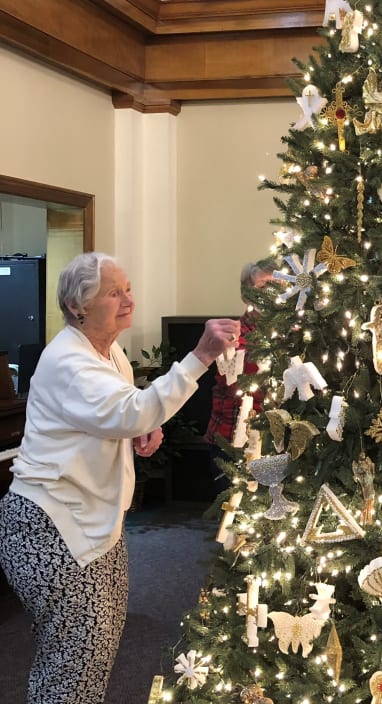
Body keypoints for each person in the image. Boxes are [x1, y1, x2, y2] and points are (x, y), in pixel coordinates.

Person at [0, 251, 240, 704]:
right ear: (78, 306)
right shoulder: (68, 361)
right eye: (114, 292)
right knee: (73, 659)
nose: (129, 299)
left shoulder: (109, 353)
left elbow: (123, 410)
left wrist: (145, 428)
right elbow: (130, 408)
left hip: (96, 520)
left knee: (98, 646)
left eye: (128, 288)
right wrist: (201, 356)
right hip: (51, 525)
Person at [205, 261, 275, 493]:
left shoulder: (292, 334)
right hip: (233, 439)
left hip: (275, 441)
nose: (272, 293)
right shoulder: (234, 335)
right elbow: (245, 376)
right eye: (264, 286)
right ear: (247, 293)